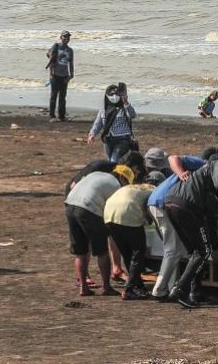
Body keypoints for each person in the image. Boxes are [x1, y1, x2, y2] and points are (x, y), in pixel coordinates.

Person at [162, 152, 218, 307]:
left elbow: (210, 218)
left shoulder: (207, 183)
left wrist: (214, 245)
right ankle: (180, 289)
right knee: (201, 252)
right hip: (187, 205)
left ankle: (189, 292)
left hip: (172, 203)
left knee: (195, 253)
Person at [147, 148, 214, 298]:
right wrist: (181, 173)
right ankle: (160, 290)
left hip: (158, 201)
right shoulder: (205, 165)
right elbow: (172, 157)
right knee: (173, 249)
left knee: (175, 248)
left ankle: (170, 287)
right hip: (164, 202)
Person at [64, 166, 128, 296]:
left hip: (70, 205)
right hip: (88, 208)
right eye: (126, 183)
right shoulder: (115, 185)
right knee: (102, 251)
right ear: (121, 177)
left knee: (80, 251)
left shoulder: (97, 174)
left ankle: (83, 287)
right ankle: (106, 287)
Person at [103, 179, 156, 299]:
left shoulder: (136, 187)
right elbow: (152, 211)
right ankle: (130, 288)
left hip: (108, 213)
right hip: (128, 212)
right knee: (138, 251)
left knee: (127, 252)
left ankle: (137, 285)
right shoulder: (155, 189)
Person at [87, 84, 137, 163]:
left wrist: (126, 102)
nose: (114, 96)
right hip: (108, 139)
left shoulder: (124, 107)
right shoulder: (103, 109)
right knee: (111, 159)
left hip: (123, 139)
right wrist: (92, 134)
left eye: (116, 94)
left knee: (114, 160)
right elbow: (98, 123)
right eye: (111, 94)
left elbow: (133, 115)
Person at [46, 31, 75, 122]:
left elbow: (71, 63)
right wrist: (51, 74)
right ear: (61, 37)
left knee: (63, 97)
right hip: (55, 75)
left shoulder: (70, 50)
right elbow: (49, 56)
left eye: (68, 37)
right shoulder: (56, 46)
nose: (66, 39)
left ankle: (62, 116)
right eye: (64, 37)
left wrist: (71, 74)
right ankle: (52, 116)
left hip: (64, 75)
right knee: (53, 96)